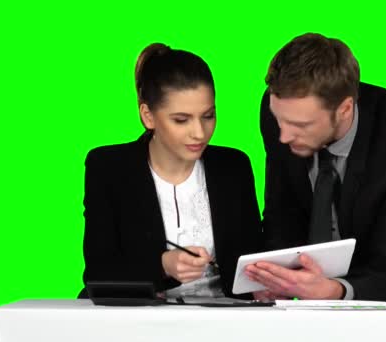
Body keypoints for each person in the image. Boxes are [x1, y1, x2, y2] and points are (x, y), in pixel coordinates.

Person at [247, 33, 386, 301]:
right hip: (328, 271)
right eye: (279, 119)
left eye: (301, 126)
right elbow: (282, 209)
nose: (283, 136)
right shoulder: (283, 111)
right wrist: (275, 278)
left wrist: (334, 290)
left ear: (344, 109)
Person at [78, 43, 261, 299]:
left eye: (208, 116)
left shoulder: (233, 166)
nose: (199, 132)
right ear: (148, 116)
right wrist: (162, 265)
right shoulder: (109, 167)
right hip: (134, 322)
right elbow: (98, 274)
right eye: (181, 120)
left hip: (224, 320)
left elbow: (252, 257)